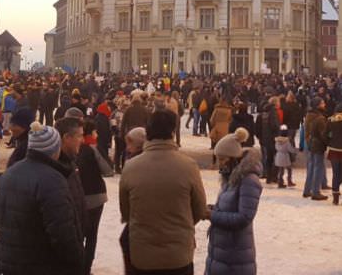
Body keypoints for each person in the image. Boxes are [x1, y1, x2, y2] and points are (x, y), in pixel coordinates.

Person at [120, 109, 208, 275]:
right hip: (178, 253)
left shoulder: (131, 167)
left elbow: (126, 212)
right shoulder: (188, 166)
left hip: (143, 254)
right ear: (173, 133)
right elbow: (199, 209)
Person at [0, 120, 85, 274]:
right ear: (55, 149)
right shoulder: (52, 180)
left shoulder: (9, 174)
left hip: (12, 264)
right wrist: (77, 263)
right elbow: (62, 234)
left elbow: (2, 225)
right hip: (42, 265)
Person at [205, 130, 263, 275]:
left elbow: (243, 218)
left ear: (233, 158)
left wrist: (211, 215)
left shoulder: (248, 181)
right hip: (222, 255)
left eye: (223, 159)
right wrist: (212, 209)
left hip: (235, 259)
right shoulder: (230, 178)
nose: (220, 164)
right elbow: (228, 208)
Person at [77, 119, 113, 275]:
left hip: (75, 197)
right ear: (90, 133)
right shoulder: (93, 148)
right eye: (95, 131)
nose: (97, 134)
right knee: (92, 236)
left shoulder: (72, 148)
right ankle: (86, 269)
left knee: (77, 233)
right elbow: (107, 170)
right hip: (95, 197)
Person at [302, 97, 329, 201]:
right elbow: (322, 133)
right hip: (317, 145)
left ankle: (307, 190)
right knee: (318, 167)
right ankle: (316, 192)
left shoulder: (309, 115)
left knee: (312, 166)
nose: (324, 104)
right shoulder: (319, 118)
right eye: (323, 103)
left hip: (310, 143)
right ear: (318, 105)